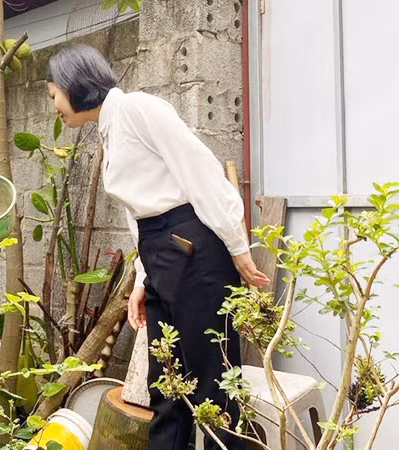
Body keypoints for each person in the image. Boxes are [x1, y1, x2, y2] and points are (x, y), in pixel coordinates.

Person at [45, 45, 269, 450]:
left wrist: (237, 246)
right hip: (161, 252)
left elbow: (201, 171)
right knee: (165, 383)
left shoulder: (137, 109)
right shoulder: (109, 129)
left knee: (214, 383)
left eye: (53, 94)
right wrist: (143, 281)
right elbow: (140, 215)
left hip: (193, 249)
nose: (54, 106)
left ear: (72, 83)